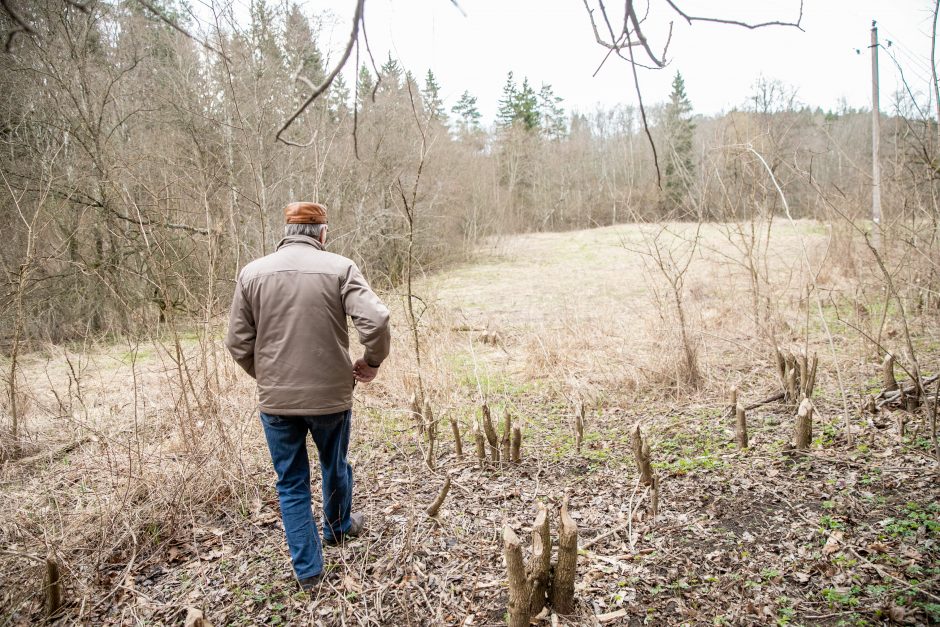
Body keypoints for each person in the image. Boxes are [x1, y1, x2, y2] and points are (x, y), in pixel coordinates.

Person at [224, 201, 391, 591]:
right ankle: (337, 528)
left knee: (291, 482)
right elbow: (377, 318)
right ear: (322, 233)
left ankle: (309, 572)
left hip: (276, 401)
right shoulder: (339, 267)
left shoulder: (252, 273)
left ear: (284, 232)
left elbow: (236, 342)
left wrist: (266, 376)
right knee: (335, 464)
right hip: (331, 396)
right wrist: (372, 361)